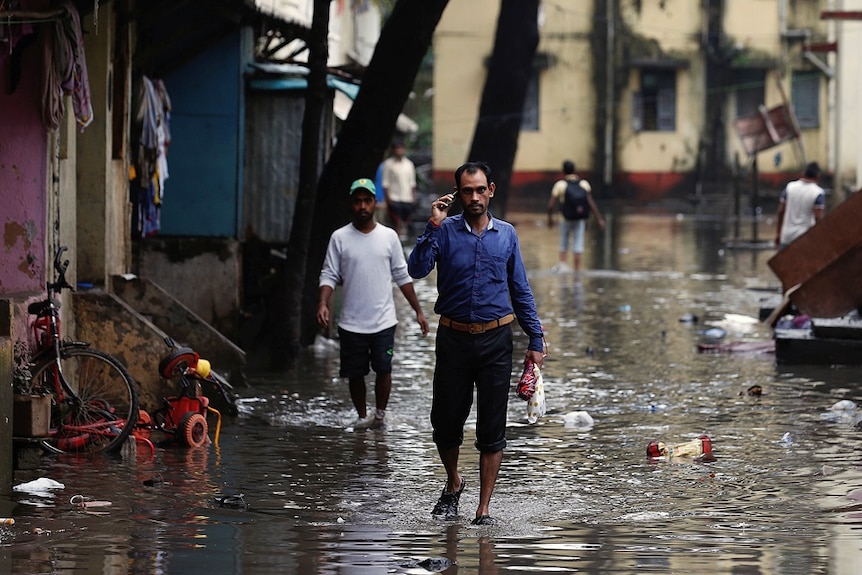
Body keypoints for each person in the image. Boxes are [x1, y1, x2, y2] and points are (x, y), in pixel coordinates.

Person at [408, 161, 545, 525]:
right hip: (452, 338)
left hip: (497, 340)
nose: (474, 197)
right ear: (458, 194)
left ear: (491, 190)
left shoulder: (507, 235)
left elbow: (520, 289)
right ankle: (454, 482)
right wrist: (432, 224)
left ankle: (483, 509)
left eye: (480, 190)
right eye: (466, 191)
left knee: (492, 427)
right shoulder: (445, 231)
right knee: (445, 422)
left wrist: (537, 338)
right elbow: (416, 269)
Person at [318, 178, 429, 430]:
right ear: (351, 204)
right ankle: (361, 417)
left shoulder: (388, 237)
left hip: (384, 321)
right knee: (355, 374)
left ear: (374, 203)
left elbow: (402, 275)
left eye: (367, 200)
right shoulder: (339, 238)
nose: (362, 206)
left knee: (383, 368)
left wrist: (419, 312)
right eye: (357, 201)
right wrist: (323, 303)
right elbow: (329, 274)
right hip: (351, 322)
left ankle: (379, 416)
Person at [547, 160, 605, 272]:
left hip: (565, 219)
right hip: (580, 219)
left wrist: (550, 219)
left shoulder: (560, 185)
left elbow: (550, 205)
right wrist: (599, 219)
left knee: (564, 243)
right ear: (574, 170)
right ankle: (577, 273)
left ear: (563, 171)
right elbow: (590, 203)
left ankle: (563, 270)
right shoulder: (584, 184)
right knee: (578, 245)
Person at [774, 161, 825, 249]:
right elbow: (818, 217)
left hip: (786, 237)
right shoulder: (818, 192)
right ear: (817, 177)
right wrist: (819, 239)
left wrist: (778, 233)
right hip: (804, 239)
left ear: (803, 174)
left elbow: (781, 211)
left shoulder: (789, 187)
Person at [382, 140, 417, 238]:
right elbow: (385, 183)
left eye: (401, 148)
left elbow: (412, 183)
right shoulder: (388, 164)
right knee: (396, 223)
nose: (399, 151)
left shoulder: (409, 164)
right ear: (393, 150)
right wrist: (388, 199)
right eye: (397, 149)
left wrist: (413, 198)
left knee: (406, 224)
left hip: (407, 198)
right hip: (394, 198)